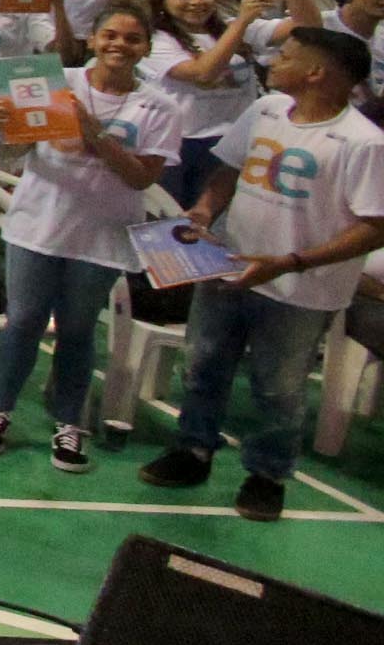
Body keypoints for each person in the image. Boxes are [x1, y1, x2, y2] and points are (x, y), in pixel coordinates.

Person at [141, 26, 384, 521]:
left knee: (279, 387)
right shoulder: (265, 109)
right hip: (228, 265)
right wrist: (204, 213)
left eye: (286, 56)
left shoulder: (363, 143)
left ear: (316, 73)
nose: (273, 61)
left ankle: (267, 475)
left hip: (300, 288)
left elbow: (374, 227)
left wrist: (290, 262)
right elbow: (229, 169)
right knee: (203, 362)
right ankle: (192, 450)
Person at [0, 0, 176, 475]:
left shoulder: (160, 106)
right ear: (92, 40)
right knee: (22, 320)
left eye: (132, 38)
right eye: (110, 35)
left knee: (78, 329)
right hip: (36, 225)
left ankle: (70, 423)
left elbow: (142, 179)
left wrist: (93, 132)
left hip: (101, 235)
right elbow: (18, 148)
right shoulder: (52, 81)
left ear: (146, 47)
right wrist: (8, 127)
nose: (119, 46)